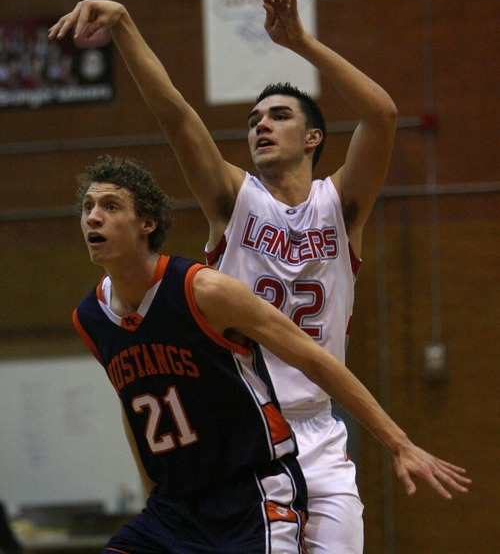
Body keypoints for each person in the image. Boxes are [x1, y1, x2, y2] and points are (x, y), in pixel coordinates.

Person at [49, 0, 471, 552]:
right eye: (253, 120)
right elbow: (176, 115)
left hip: (320, 429)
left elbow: (382, 113)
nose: (261, 125)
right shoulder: (234, 201)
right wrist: (124, 26)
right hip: (242, 433)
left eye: (278, 116)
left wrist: (300, 43)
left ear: (314, 136)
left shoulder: (340, 207)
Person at [68, 155, 468, 554]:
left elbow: (314, 359)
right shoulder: (91, 317)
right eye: (88, 207)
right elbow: (131, 401)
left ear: (147, 223)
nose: (93, 217)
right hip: (174, 509)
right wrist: (152, 494)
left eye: (110, 206)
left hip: (250, 496)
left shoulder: (203, 291)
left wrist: (398, 443)